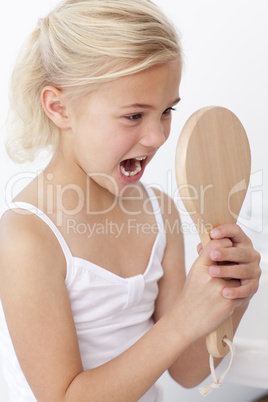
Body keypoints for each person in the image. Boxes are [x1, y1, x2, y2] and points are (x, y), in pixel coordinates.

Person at [0, 0, 261, 401]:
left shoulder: (160, 212)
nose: (157, 136)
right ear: (59, 107)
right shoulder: (28, 236)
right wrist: (182, 318)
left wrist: (230, 295)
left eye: (167, 111)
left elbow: (188, 372)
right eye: (134, 116)